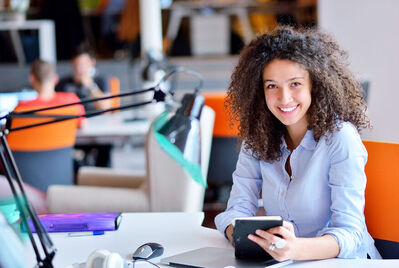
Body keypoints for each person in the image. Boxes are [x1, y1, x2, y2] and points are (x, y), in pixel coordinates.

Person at [214, 26, 381, 261]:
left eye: (295, 84)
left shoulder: (340, 138)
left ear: (315, 84)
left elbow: (350, 234)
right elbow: (236, 211)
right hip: (286, 261)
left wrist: (294, 249)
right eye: (272, 86)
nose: (284, 98)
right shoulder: (257, 139)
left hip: (343, 262)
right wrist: (242, 237)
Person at [16, 59, 85, 125]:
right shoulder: (72, 101)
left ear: (32, 79)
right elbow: (82, 125)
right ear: (55, 79)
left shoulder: (21, 109)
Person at [56, 44, 112, 113]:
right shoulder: (64, 82)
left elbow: (106, 107)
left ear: (92, 63)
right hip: (72, 118)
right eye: (75, 65)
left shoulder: (100, 79)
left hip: (95, 119)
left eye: (82, 65)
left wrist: (90, 86)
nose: (79, 69)